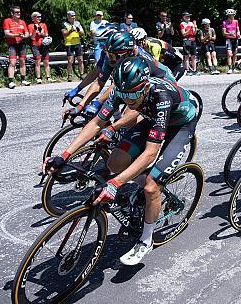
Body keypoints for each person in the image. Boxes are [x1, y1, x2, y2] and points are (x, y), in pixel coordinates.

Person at [45, 57, 197, 265]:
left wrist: (116, 183)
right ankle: (140, 187)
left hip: (180, 125)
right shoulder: (123, 91)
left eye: (133, 95)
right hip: (152, 118)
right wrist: (65, 155)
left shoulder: (161, 96)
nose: (127, 101)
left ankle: (146, 240)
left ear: (144, 86)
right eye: (124, 96)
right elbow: (98, 123)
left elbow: (150, 153)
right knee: (114, 163)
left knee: (152, 187)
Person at [3, 6, 30, 88]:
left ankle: (23, 79)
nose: (19, 14)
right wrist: (17, 35)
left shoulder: (22, 22)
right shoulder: (7, 21)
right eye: (17, 12)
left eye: (19, 12)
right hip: (12, 44)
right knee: (12, 62)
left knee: (22, 61)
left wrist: (25, 36)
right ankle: (11, 81)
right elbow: (7, 34)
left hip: (21, 44)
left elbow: (27, 33)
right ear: (12, 13)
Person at [61, 10, 86, 82]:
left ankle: (81, 74)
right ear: (68, 16)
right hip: (69, 44)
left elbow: (82, 33)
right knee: (70, 61)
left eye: (74, 15)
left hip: (77, 43)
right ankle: (69, 75)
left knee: (80, 59)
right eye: (72, 16)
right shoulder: (65, 24)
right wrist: (70, 31)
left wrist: (78, 30)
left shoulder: (77, 23)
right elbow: (64, 34)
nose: (73, 17)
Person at [28, 12, 52, 84]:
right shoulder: (30, 26)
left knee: (46, 61)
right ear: (33, 18)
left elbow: (46, 35)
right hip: (35, 44)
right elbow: (32, 37)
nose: (39, 18)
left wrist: (42, 32)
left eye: (40, 17)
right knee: (37, 61)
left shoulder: (43, 25)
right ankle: (38, 77)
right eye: (37, 17)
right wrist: (35, 30)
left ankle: (48, 77)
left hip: (43, 44)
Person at [222, 9, 241, 73]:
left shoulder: (236, 21)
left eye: (233, 15)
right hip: (229, 39)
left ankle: (234, 67)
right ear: (229, 16)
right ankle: (229, 68)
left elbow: (238, 29)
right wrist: (230, 34)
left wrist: (238, 33)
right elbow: (223, 33)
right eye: (232, 15)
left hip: (235, 39)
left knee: (235, 54)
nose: (233, 16)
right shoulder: (224, 22)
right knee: (229, 54)